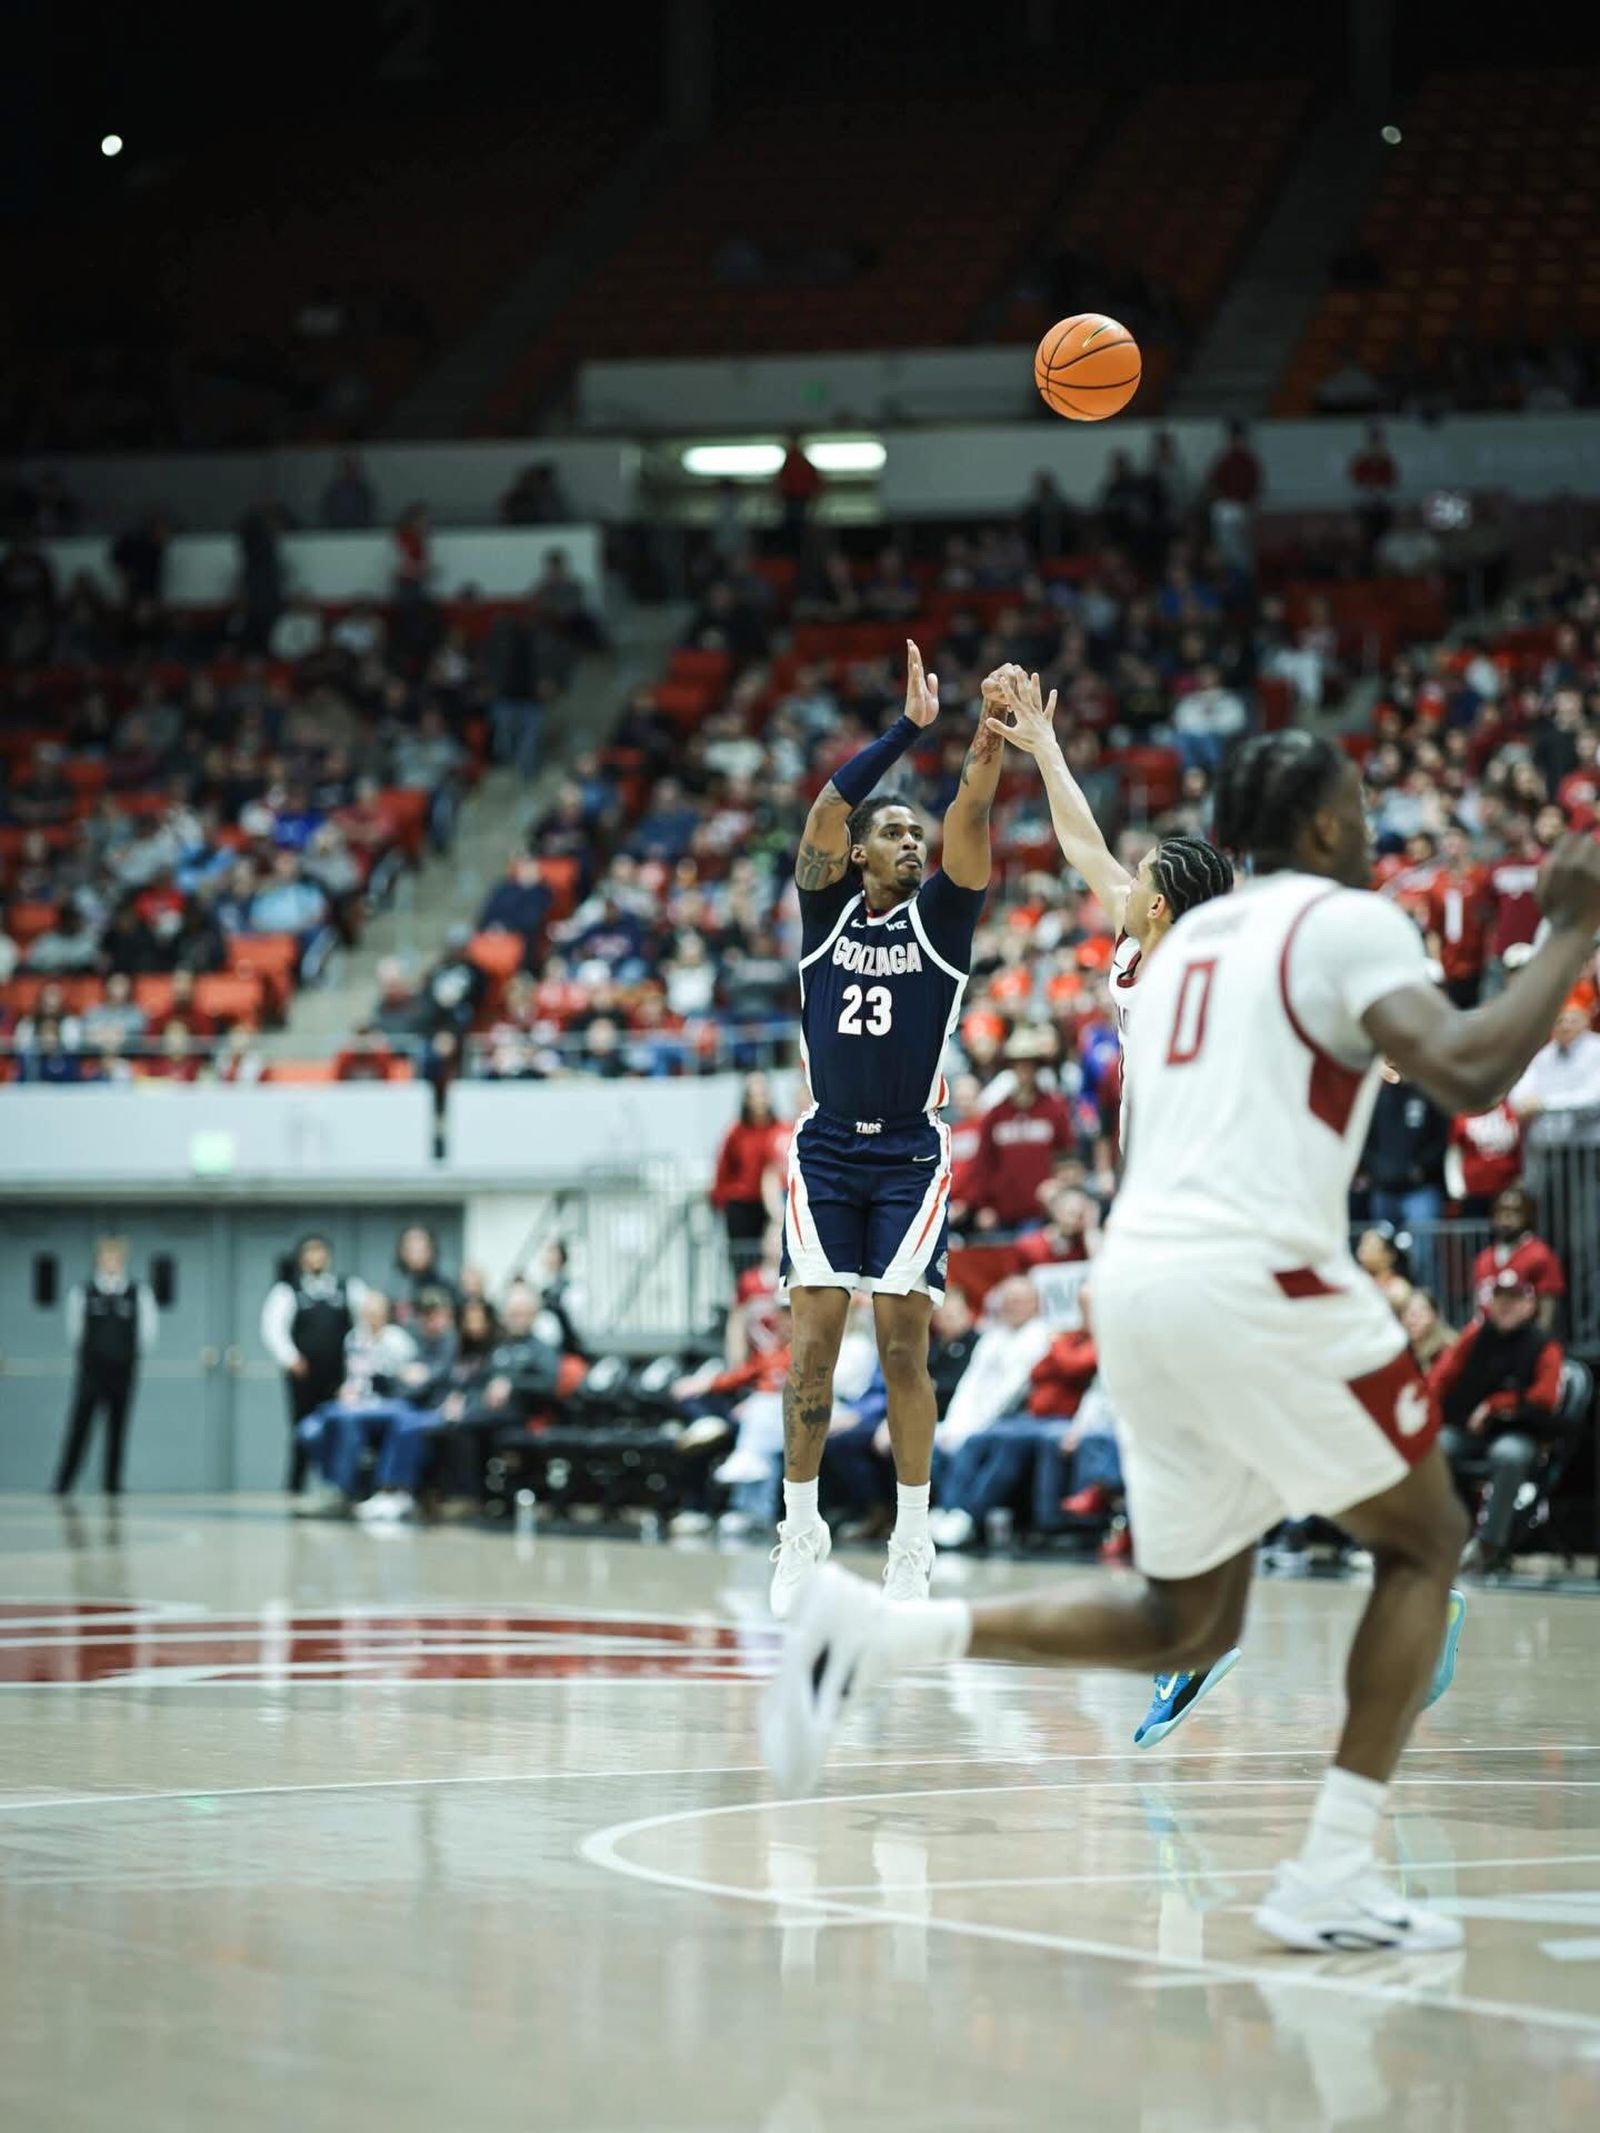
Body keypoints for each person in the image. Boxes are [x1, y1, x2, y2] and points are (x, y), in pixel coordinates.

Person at [766, 728, 1600, 1955]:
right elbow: (1472, 1070)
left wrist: (1043, 743)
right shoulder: (1340, 921)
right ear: (1317, 831)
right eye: (1357, 809)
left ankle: (876, 1630)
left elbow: (1097, 853)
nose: (1369, 829)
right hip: (1256, 1264)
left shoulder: (1168, 942)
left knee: (1185, 1617)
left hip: (1138, 1276)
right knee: (1428, 1543)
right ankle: (1327, 1872)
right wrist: (1574, 931)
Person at [991, 667, 1237, 1748]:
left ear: (1166, 902)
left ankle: (1200, 1623)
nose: (1118, 879)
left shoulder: (1199, 967)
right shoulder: (1145, 949)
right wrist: (1043, 745)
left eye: (1141, 877)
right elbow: (1086, 846)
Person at [768, 640, 1010, 1618]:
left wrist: (987, 738)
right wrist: (906, 730)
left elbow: (973, 811)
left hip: (909, 1151)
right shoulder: (823, 913)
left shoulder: (941, 925)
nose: (912, 841)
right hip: (826, 1147)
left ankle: (912, 1541)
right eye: (894, 832)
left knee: (904, 1351)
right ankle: (799, 1529)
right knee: (813, 1347)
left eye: (918, 832)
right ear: (860, 854)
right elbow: (826, 808)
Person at [1430, 1270, 1566, 1573]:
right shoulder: (1475, 1336)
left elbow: (1545, 1397)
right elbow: (1440, 1379)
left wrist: (1494, 1406)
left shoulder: (1544, 1344)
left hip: (1520, 1432)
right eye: (1500, 1297)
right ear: (1489, 1302)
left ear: (1530, 1305)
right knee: (1436, 1446)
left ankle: (1489, 1544)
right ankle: (1445, 1534)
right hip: (1471, 1431)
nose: (1506, 1305)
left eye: (1515, 1298)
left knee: (1508, 1454)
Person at [260, 1236, 365, 1493]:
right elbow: (273, 1328)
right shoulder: (287, 1290)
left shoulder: (347, 1287)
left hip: (339, 1375)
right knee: (302, 1429)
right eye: (309, 1252)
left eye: (320, 1251)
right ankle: (296, 1486)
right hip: (304, 1375)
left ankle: (339, 1486)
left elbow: (364, 1323)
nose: (315, 1257)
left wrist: (355, 1365)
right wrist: (290, 1358)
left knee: (341, 1428)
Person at [54, 1236, 158, 1496]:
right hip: (92, 1370)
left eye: (116, 1258)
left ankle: (112, 1485)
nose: (111, 1263)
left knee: (118, 1427)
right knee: (80, 1426)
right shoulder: (84, 1292)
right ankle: (63, 1483)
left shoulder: (137, 1292)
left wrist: (129, 1356)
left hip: (123, 1371)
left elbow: (147, 1332)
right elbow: (75, 1332)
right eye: (106, 1257)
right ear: (99, 1260)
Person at [711, 1072, 788, 1278]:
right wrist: (720, 1201)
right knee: (743, 1265)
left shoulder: (781, 1129)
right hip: (742, 1206)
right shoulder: (736, 1133)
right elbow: (723, 1170)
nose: (760, 1099)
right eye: (754, 1095)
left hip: (773, 1208)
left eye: (763, 1093)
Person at [1470, 1185, 1564, 1332]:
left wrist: (1535, 1348)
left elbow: (1547, 1311)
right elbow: (1478, 1307)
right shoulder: (1484, 1258)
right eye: (1500, 1213)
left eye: (1513, 1213)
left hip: (1525, 1341)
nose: (1505, 1220)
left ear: (1527, 1216)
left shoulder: (1540, 1255)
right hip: (1489, 1342)